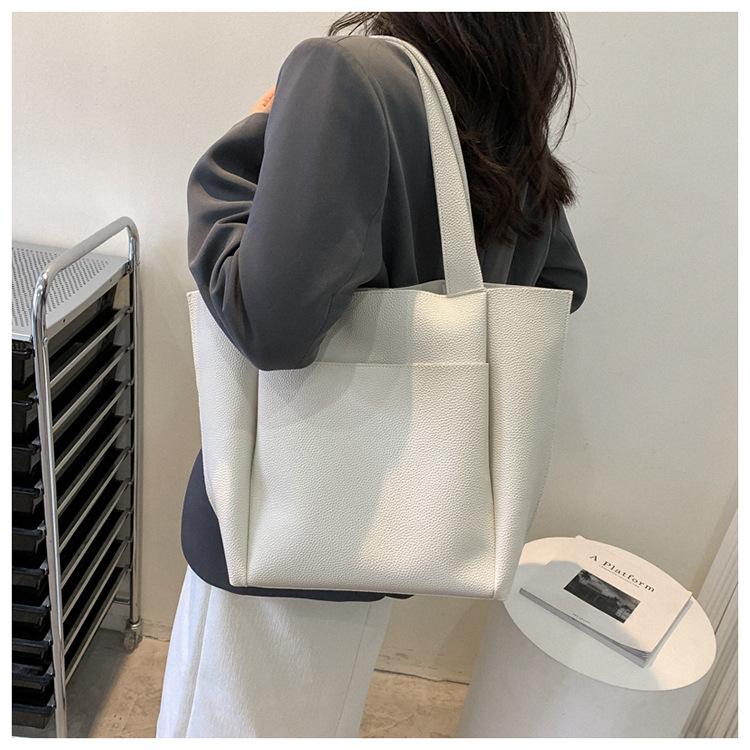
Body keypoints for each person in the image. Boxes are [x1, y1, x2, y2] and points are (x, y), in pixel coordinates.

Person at [157, 11, 587, 738]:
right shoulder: (501, 122)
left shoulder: (343, 73)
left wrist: (254, 133)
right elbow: (562, 287)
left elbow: (267, 324)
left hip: (280, 517)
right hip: (402, 521)